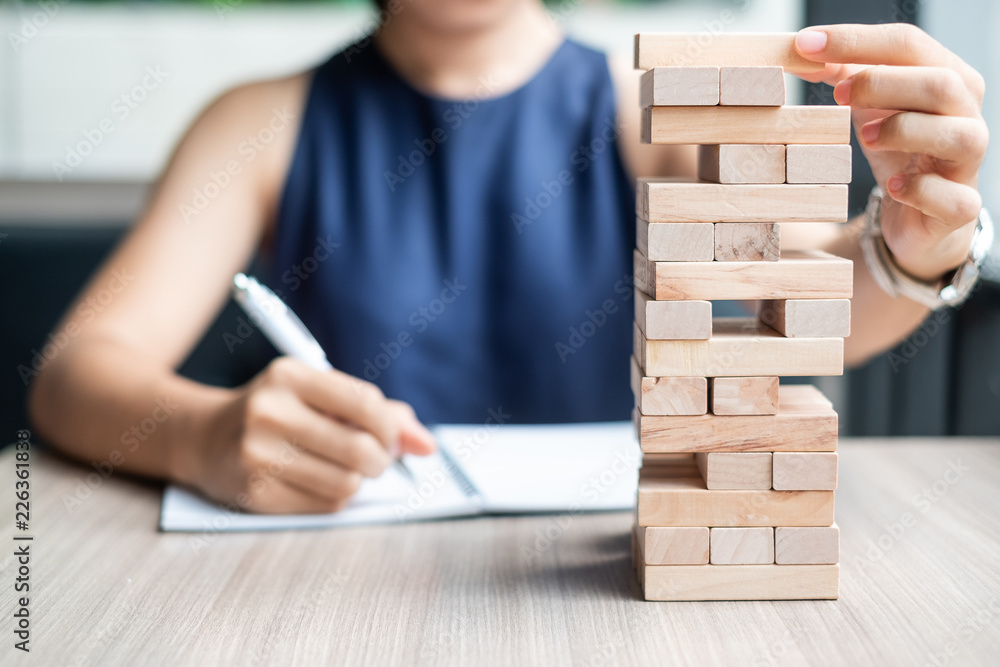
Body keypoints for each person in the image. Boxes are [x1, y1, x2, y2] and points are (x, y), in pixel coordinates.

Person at [28, 1, 988, 514]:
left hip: (598, 602)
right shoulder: (259, 125)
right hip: (340, 592)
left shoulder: (637, 108)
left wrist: (909, 242)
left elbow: (819, 304)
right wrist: (204, 436)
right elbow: (76, 376)